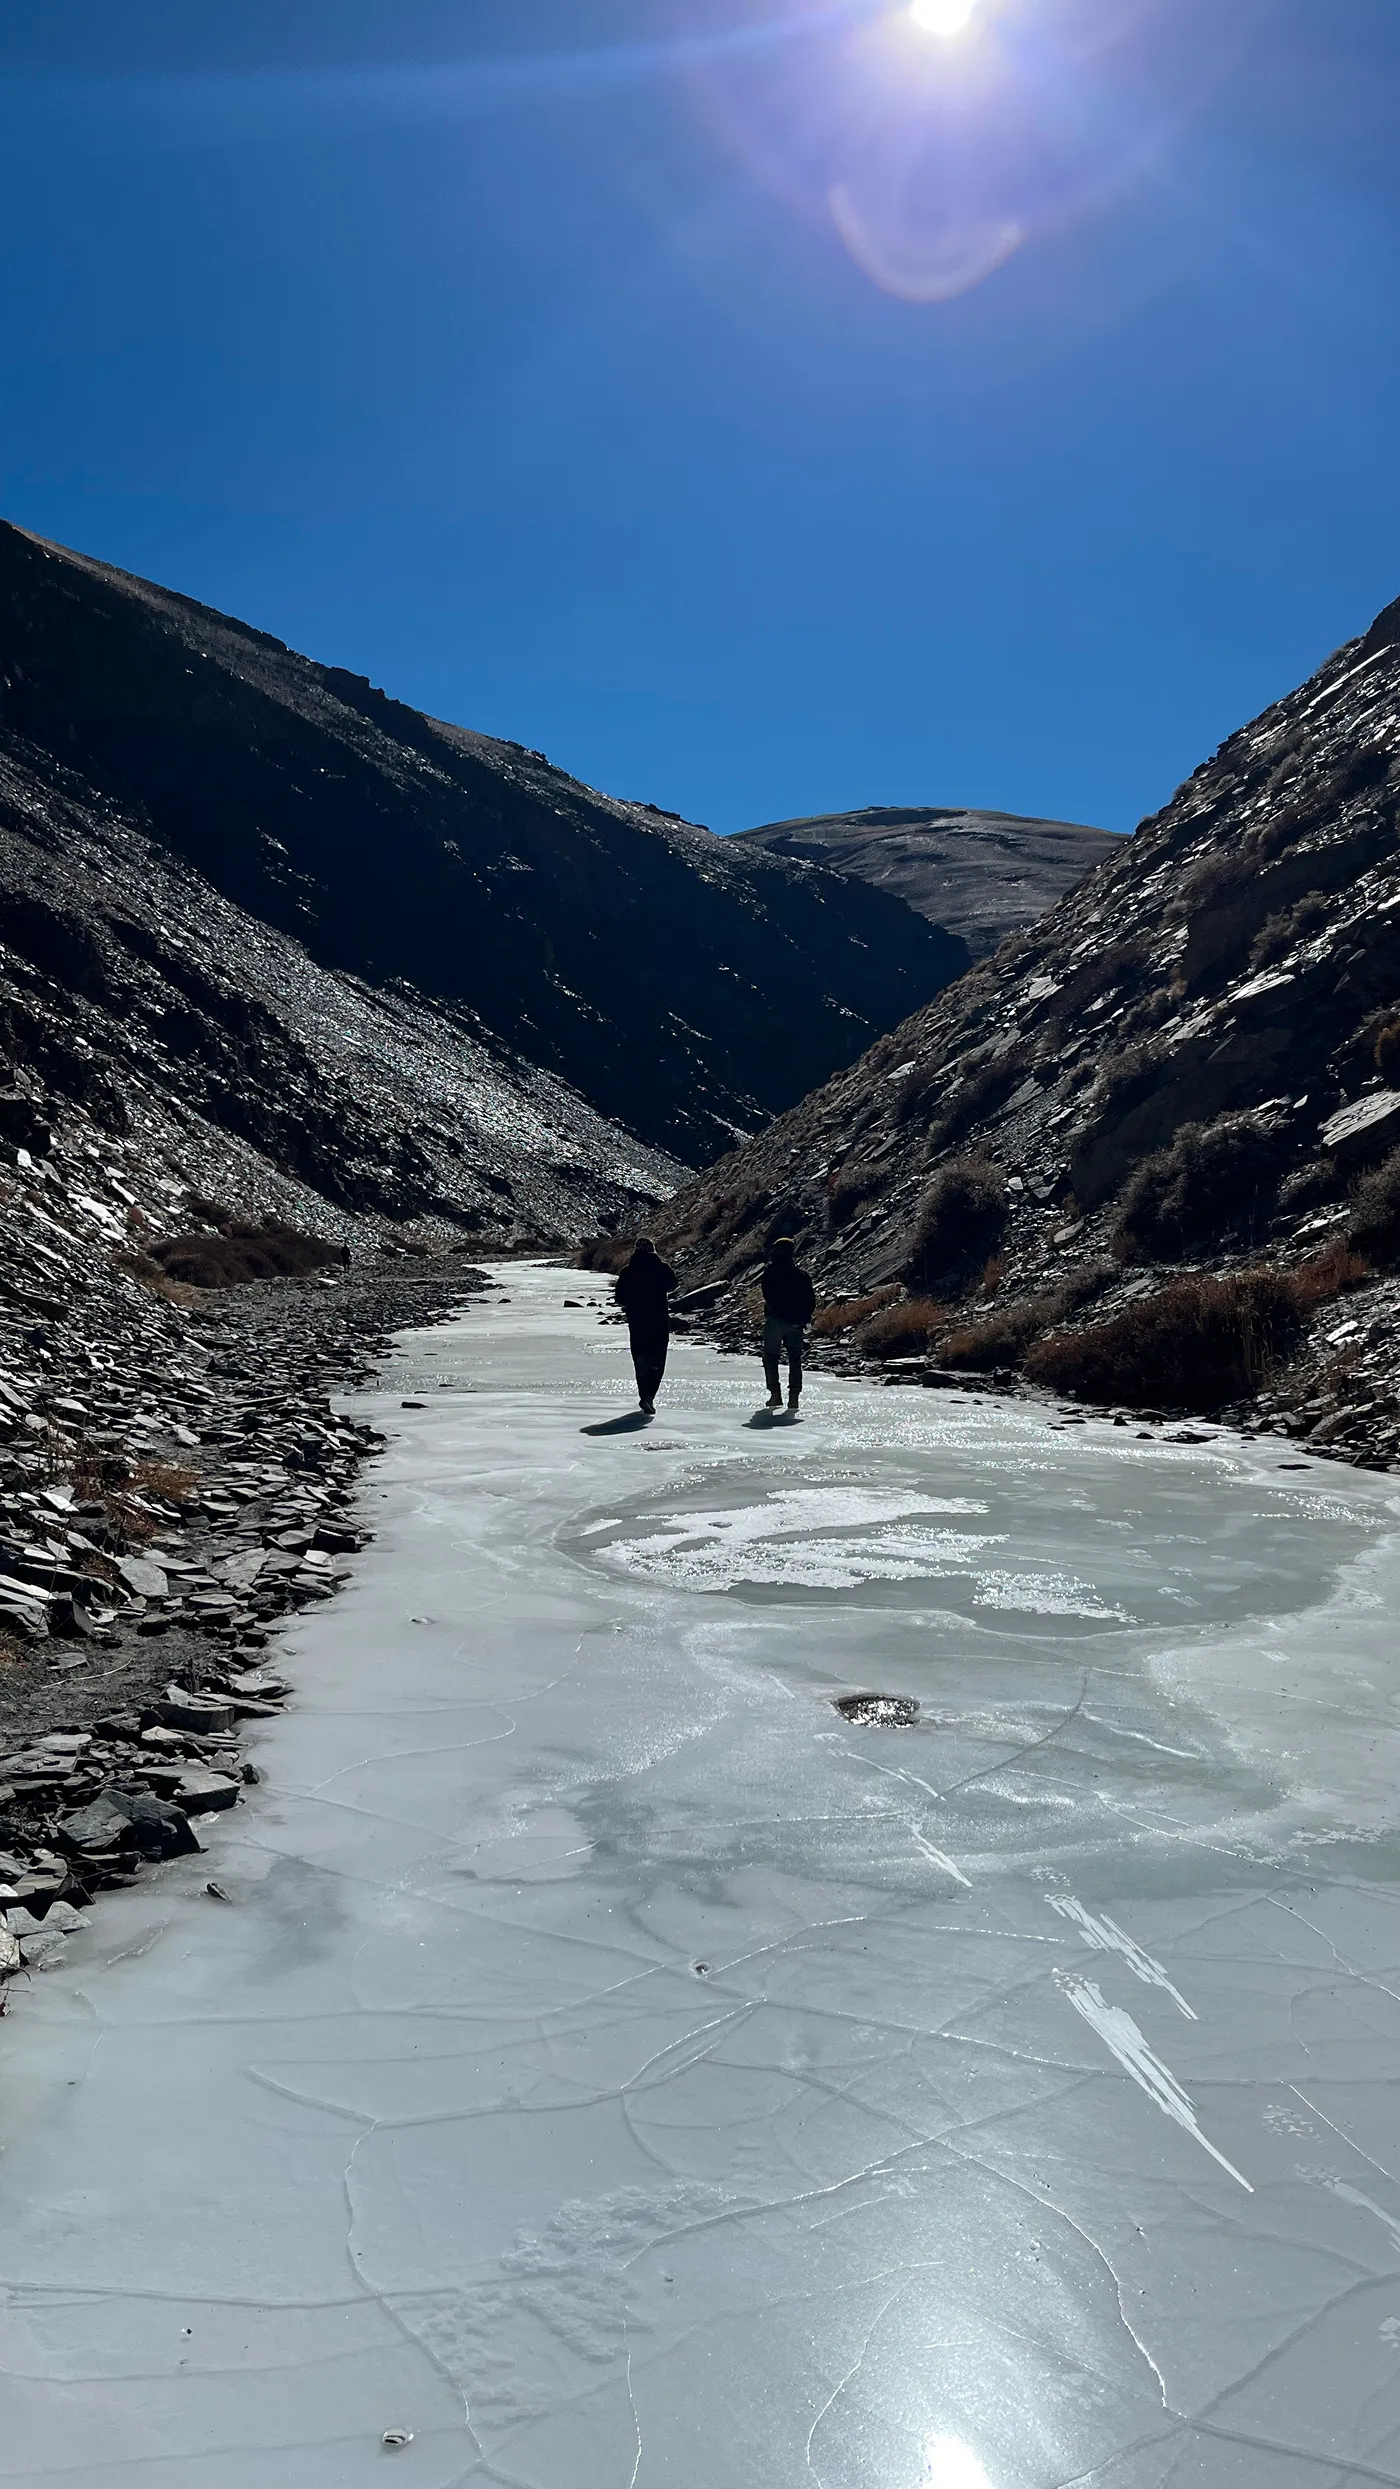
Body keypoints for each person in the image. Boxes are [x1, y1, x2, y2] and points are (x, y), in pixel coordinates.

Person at [614, 1236, 677, 1415]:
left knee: (641, 1359)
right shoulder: (662, 1267)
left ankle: (644, 1395)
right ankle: (650, 1396)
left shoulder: (627, 1271)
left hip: (637, 1322)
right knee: (657, 1360)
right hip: (658, 1320)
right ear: (653, 1250)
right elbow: (673, 1285)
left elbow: (620, 1298)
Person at [761, 1236, 816, 1413]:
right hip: (796, 1323)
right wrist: (804, 1318)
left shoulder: (770, 1274)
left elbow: (767, 1296)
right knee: (794, 1359)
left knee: (770, 1357)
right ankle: (794, 1398)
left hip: (776, 1321)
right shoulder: (801, 1276)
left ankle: (775, 1394)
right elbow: (810, 1300)